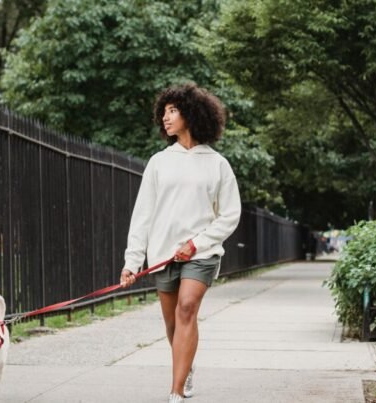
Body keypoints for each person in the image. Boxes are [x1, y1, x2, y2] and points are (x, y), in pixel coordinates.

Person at [119, 83, 241, 403]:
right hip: (163, 255)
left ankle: (175, 392)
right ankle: (186, 369)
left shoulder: (217, 164)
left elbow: (229, 215)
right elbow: (142, 215)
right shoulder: (159, 162)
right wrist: (133, 262)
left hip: (202, 254)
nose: (165, 117)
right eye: (163, 112)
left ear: (192, 113)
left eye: (173, 110)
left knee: (188, 309)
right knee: (173, 323)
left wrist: (197, 243)